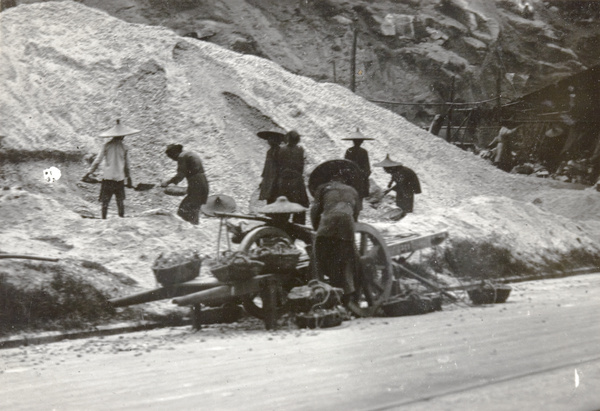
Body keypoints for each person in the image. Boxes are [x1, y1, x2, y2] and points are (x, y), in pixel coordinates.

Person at [310, 166, 362, 307]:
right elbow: (356, 214)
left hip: (327, 227)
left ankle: (318, 291)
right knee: (346, 262)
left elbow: (315, 210)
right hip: (346, 230)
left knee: (317, 258)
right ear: (344, 180)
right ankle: (349, 298)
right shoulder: (352, 191)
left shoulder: (323, 188)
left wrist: (316, 228)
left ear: (330, 179)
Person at [83, 119, 138, 219]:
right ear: (122, 136)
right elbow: (127, 166)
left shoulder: (106, 146)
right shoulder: (125, 148)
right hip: (119, 179)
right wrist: (129, 178)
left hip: (107, 178)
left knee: (105, 202)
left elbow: (97, 161)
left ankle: (104, 219)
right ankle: (121, 218)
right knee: (120, 201)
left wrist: (89, 172)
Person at [161, 144, 209, 225]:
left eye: (171, 157)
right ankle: (194, 228)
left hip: (196, 184)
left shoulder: (182, 156)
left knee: (183, 212)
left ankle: (191, 231)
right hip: (203, 184)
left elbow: (180, 175)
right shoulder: (189, 154)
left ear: (174, 153)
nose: (173, 159)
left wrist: (167, 182)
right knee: (193, 211)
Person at [277, 130, 309, 224]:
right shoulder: (300, 150)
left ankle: (282, 226)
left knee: (283, 205)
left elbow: (279, 165)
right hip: (297, 181)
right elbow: (301, 167)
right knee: (299, 206)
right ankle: (299, 228)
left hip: (284, 181)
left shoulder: (282, 150)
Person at [343, 128, 373, 200]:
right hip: (361, 177)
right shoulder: (363, 152)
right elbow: (367, 167)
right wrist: (365, 175)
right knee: (359, 197)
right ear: (362, 141)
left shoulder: (349, 150)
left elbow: (345, 164)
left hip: (350, 176)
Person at [257, 131, 284, 204]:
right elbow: (266, 167)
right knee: (269, 199)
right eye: (269, 138)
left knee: (275, 199)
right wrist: (263, 180)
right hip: (269, 179)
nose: (269, 140)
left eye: (271, 138)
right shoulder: (269, 152)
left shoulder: (280, 151)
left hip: (276, 180)